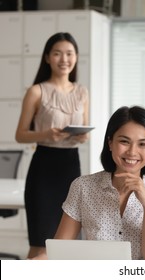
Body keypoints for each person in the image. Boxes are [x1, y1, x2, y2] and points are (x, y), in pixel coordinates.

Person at [34, 106, 145, 260]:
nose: (132, 152)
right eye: (124, 141)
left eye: (142, 144)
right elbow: (60, 248)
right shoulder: (83, 186)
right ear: (110, 143)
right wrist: (41, 258)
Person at [15, 32, 90, 259]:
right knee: (40, 243)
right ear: (47, 57)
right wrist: (46, 134)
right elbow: (20, 135)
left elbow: (85, 127)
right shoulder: (36, 91)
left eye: (69, 53)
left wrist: (82, 136)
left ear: (76, 57)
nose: (64, 59)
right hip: (44, 168)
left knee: (67, 244)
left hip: (71, 167)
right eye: (57, 53)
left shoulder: (82, 92)